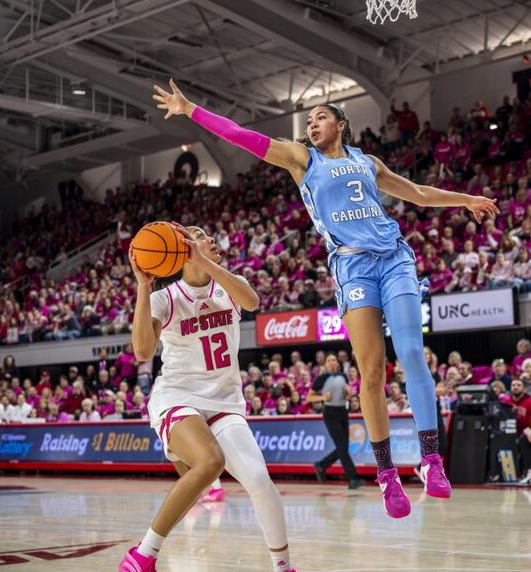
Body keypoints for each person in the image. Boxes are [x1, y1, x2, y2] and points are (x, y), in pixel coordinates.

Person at [155, 79, 499, 517]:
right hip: (353, 266)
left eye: (321, 116)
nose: (312, 123)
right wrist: (192, 110)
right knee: (371, 371)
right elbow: (244, 137)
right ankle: (386, 473)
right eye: (309, 119)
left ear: (341, 124)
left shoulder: (368, 162)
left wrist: (466, 200)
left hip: (394, 258)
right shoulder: (302, 159)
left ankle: (431, 461)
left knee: (413, 352)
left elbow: (418, 193)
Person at [120, 226, 307, 572]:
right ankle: (142, 558)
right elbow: (141, 351)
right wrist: (143, 285)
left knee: (258, 479)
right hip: (177, 397)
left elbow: (252, 302)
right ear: (179, 246)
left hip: (225, 402)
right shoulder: (164, 298)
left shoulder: (228, 286)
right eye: (199, 234)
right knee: (209, 462)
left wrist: (202, 260)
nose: (210, 237)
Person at [309, 353, 364, 490]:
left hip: (343, 412)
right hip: (330, 414)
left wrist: (349, 394)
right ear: (325, 364)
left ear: (337, 363)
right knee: (342, 446)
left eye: (334, 360)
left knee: (343, 447)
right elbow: (309, 397)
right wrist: (322, 397)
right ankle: (352, 478)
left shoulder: (343, 376)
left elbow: (345, 396)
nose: (332, 362)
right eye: (329, 360)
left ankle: (322, 465)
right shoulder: (322, 378)